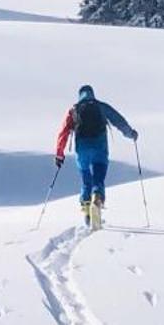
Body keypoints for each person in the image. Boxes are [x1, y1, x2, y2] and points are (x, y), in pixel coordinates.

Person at [54, 84, 137, 230]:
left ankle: (87, 211)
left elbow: (63, 132)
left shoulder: (73, 110)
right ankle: (97, 199)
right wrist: (131, 133)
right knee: (98, 178)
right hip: (100, 148)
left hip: (82, 150)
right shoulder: (101, 107)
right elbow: (118, 121)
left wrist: (59, 154)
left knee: (86, 180)